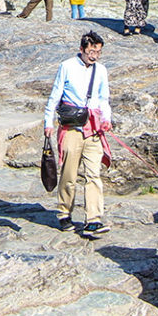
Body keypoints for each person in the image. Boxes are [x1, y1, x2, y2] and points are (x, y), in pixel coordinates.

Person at [44, 31, 112, 236]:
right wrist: (48, 122)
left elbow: (104, 98)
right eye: (91, 51)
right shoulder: (67, 66)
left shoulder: (101, 70)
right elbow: (55, 94)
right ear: (82, 49)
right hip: (71, 126)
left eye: (98, 52)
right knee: (69, 174)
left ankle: (93, 219)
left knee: (93, 174)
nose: (94, 56)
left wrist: (106, 118)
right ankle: (64, 212)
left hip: (93, 128)